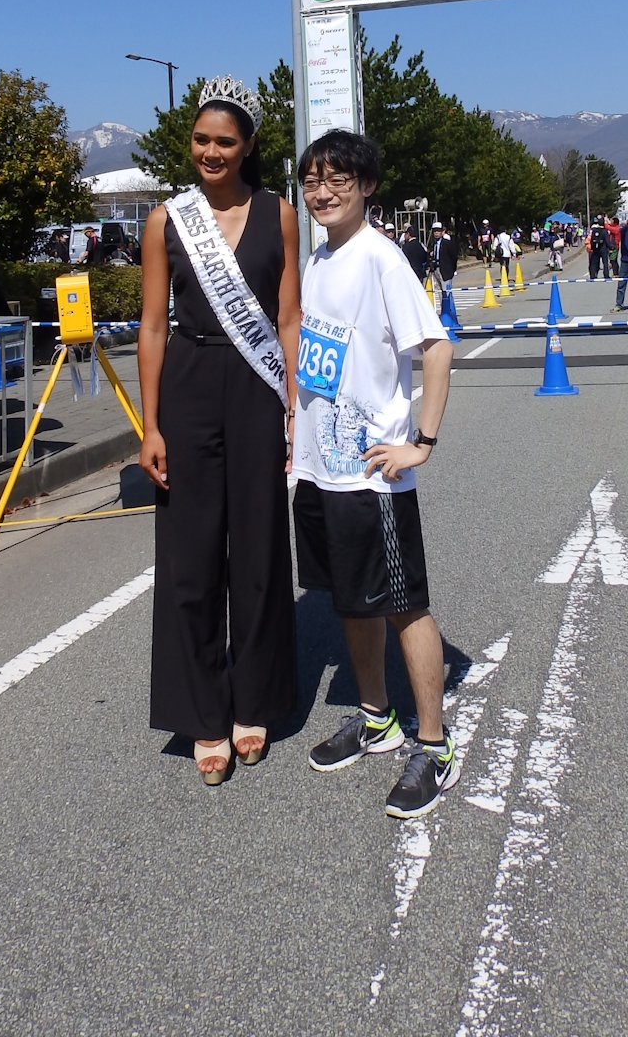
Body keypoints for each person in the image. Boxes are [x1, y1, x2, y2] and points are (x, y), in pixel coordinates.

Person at [137, 75, 299, 786]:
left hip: (258, 388)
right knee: (190, 553)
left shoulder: (278, 214)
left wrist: (295, 406)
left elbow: (288, 318)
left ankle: (253, 701)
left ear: (248, 145)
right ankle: (204, 713)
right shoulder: (166, 221)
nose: (211, 152)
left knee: (259, 547)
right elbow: (151, 326)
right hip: (190, 384)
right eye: (201, 140)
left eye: (225, 142)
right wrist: (149, 424)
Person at [291, 129, 457, 820]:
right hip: (321, 468)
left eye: (338, 180)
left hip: (373, 472)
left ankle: (434, 745)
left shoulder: (382, 257)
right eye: (312, 181)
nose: (323, 192)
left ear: (366, 187)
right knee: (350, 599)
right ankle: (375, 717)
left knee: (403, 603)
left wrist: (422, 442)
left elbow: (437, 346)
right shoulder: (317, 260)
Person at [428, 219, 458, 314]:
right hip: (436, 269)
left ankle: (450, 311)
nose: (436, 233)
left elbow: (454, 257)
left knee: (447, 292)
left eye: (438, 231)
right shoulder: (433, 244)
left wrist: (452, 270)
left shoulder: (447, 243)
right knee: (440, 292)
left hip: (445, 270)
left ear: (442, 232)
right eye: (435, 231)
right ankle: (444, 311)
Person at [586, 216, 610, 281]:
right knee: (605, 262)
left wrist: (592, 247)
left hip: (595, 248)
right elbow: (607, 241)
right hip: (603, 248)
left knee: (594, 262)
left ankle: (592, 275)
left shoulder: (594, 230)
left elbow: (591, 240)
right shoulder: (605, 231)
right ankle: (606, 275)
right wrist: (610, 247)